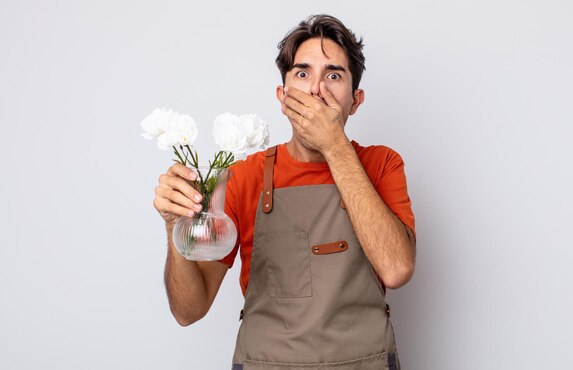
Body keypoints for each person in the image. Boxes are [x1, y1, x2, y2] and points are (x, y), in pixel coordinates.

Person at [153, 14, 416, 369]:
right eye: (303, 74)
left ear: (356, 100)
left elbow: (397, 269)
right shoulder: (242, 178)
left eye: (334, 75)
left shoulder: (382, 164)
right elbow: (189, 310)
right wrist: (175, 228)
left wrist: (335, 146)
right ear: (283, 95)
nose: (316, 89)